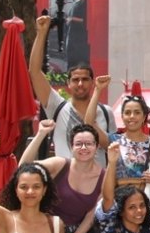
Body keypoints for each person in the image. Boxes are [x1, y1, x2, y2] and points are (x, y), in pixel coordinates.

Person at [29, 15, 116, 167]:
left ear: (92, 82)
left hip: (99, 185)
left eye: (85, 79)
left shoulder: (106, 112)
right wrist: (41, 33)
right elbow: (35, 72)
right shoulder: (57, 106)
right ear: (68, 83)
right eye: (75, 80)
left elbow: (112, 147)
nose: (80, 84)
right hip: (65, 185)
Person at [85, 76, 150, 205]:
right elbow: (89, 123)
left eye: (137, 112)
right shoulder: (114, 141)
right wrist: (97, 90)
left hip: (146, 204)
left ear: (144, 116)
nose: (132, 116)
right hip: (119, 203)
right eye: (128, 113)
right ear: (122, 116)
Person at [65, 0, 90, 68]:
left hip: (79, 41)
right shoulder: (75, 3)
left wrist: (72, 19)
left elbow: (85, 19)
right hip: (71, 40)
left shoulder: (85, 2)